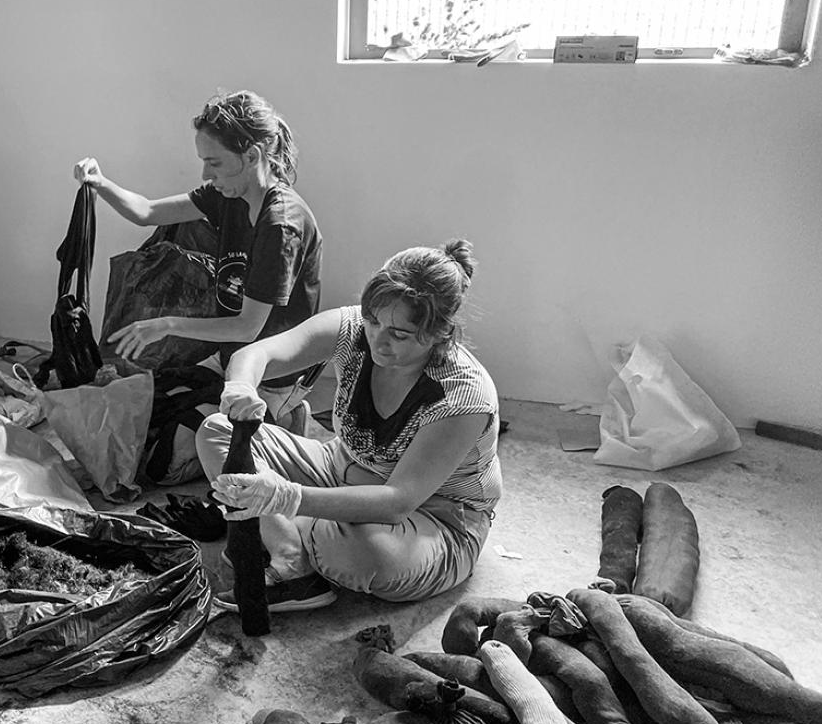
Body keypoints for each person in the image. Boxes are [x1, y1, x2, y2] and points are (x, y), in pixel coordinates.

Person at [198, 240, 501, 614]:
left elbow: (396, 502)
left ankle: (290, 527)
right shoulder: (354, 328)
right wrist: (241, 384)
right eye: (373, 321)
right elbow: (258, 353)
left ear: (440, 332)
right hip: (341, 465)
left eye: (400, 334)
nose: (379, 339)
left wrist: (286, 498)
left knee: (366, 554)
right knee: (216, 431)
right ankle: (293, 558)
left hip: (434, 514)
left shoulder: (463, 395)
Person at [73, 89, 322, 428]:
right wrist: (100, 183)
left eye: (214, 163)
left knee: (181, 448)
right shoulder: (229, 194)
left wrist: (167, 324)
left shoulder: (281, 225)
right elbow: (146, 211)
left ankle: (286, 410)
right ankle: (274, 414)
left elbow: (248, 327)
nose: (206, 174)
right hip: (228, 357)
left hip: (268, 372)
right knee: (140, 417)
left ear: (251, 156)